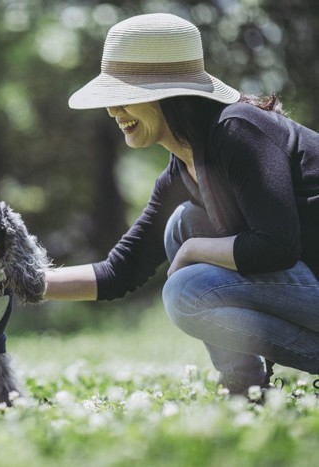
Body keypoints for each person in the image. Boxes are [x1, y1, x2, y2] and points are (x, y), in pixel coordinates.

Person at [44, 13, 319, 394]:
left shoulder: (238, 131)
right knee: (183, 223)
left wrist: (193, 250)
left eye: (124, 96)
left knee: (186, 290)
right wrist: (15, 282)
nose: (112, 111)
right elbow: (120, 271)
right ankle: (246, 387)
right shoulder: (182, 169)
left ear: (169, 93)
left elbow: (277, 245)